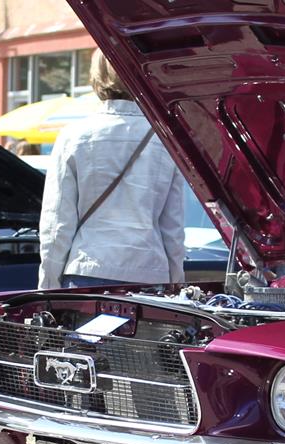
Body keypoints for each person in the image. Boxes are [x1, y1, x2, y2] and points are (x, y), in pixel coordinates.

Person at [37, 49, 188, 290]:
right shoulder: (166, 141)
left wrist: (48, 287)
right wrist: (175, 281)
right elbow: (173, 226)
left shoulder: (73, 137)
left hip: (88, 269)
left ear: (96, 77)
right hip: (149, 271)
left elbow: (57, 225)